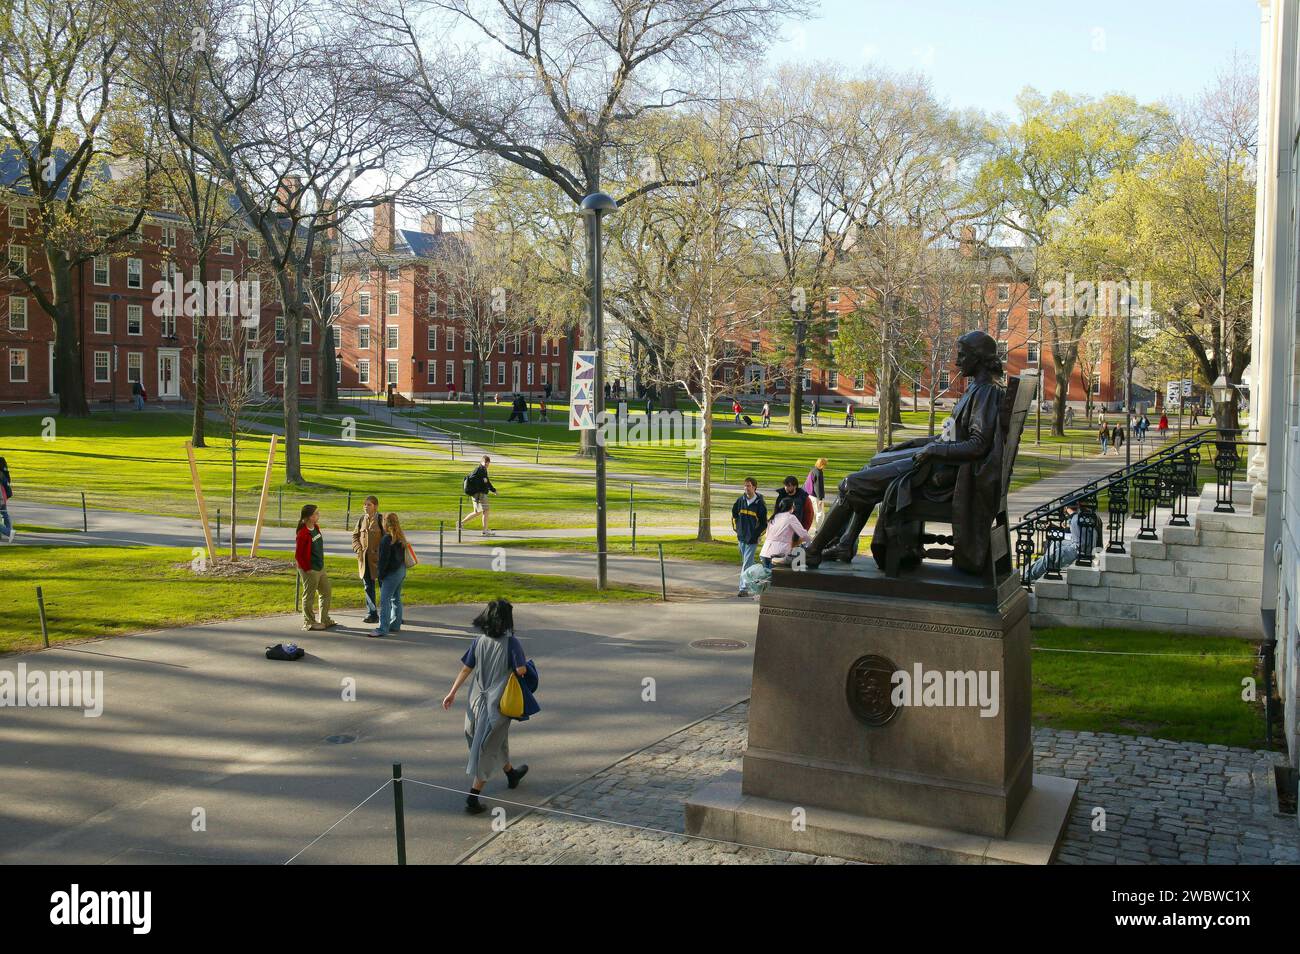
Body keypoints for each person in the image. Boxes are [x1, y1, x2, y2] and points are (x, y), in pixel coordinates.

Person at [800, 331, 1004, 569]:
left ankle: (813, 551)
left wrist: (932, 450)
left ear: (977, 358)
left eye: (962, 356)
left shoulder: (986, 392)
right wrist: (911, 444)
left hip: (946, 477)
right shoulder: (977, 389)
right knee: (872, 464)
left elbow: (978, 445)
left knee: (851, 484)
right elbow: (951, 436)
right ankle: (845, 543)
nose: (957, 362)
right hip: (942, 464)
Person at [443, 599, 531, 815]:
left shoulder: (479, 641)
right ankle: (473, 798)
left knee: (493, 740)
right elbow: (520, 671)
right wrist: (525, 667)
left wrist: (452, 692)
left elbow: (466, 669)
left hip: (476, 701)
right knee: (488, 747)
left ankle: (511, 774)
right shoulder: (512, 643)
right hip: (498, 704)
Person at [295, 504, 336, 631]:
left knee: (326, 592)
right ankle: (309, 622)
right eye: (316, 513)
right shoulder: (303, 533)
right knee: (309, 596)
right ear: (309, 517)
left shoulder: (316, 528)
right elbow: (299, 555)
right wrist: (308, 569)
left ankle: (325, 620)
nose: (318, 515)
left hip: (320, 567)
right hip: (310, 569)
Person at [1026, 505, 1094, 582]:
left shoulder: (1076, 519)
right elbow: (1079, 538)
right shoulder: (1082, 517)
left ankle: (1029, 576)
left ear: (1066, 508)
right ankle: (1046, 566)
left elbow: (1081, 544)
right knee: (1057, 543)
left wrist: (1068, 545)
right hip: (1082, 547)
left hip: (1080, 551)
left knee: (1051, 556)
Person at [371, 512, 410, 637]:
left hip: (391, 573)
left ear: (385, 523)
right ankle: (395, 624)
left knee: (385, 600)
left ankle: (383, 628)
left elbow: (383, 561)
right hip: (401, 570)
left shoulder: (387, 539)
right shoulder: (400, 536)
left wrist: (380, 575)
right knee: (396, 598)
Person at [731, 477, 767, 597]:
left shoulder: (759, 503)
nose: (746, 488)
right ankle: (761, 578)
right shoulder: (740, 500)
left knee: (746, 563)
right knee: (747, 563)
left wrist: (756, 535)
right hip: (741, 537)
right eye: (745, 485)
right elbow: (734, 513)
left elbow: (763, 523)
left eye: (749, 486)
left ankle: (743, 588)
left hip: (752, 539)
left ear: (755, 487)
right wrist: (738, 529)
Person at [351, 495, 382, 624]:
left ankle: (391, 614)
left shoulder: (381, 519)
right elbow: (355, 536)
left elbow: (388, 539)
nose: (365, 507)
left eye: (368, 504)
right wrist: (358, 549)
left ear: (375, 506)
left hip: (380, 561)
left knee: (385, 588)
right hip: (365, 561)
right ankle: (372, 613)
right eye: (364, 504)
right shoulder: (361, 519)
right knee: (368, 587)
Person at [761, 495, 813, 569]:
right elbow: (803, 534)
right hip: (779, 554)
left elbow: (767, 535)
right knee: (779, 579)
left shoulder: (774, 516)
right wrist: (811, 542)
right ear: (791, 507)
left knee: (767, 578)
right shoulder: (790, 517)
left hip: (765, 552)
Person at [461, 455, 498, 537]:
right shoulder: (479, 469)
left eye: (488, 463)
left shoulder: (483, 470)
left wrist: (493, 490)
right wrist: (479, 488)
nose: (487, 465)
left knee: (477, 512)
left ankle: (461, 523)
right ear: (481, 462)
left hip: (478, 493)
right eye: (485, 463)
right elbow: (473, 479)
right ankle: (485, 531)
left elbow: (486, 481)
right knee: (486, 510)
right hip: (479, 494)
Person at [804, 458, 827, 530]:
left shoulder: (813, 470)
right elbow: (818, 487)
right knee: (820, 513)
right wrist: (820, 499)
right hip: (815, 496)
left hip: (809, 494)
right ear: (822, 465)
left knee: (811, 513)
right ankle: (818, 530)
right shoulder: (819, 472)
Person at [0, 456, 13, 542]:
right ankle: (9, 532)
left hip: (1, 496)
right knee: (4, 514)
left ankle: (8, 532)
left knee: (4, 514)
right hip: (3, 496)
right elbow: (7, 481)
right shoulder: (2, 474)